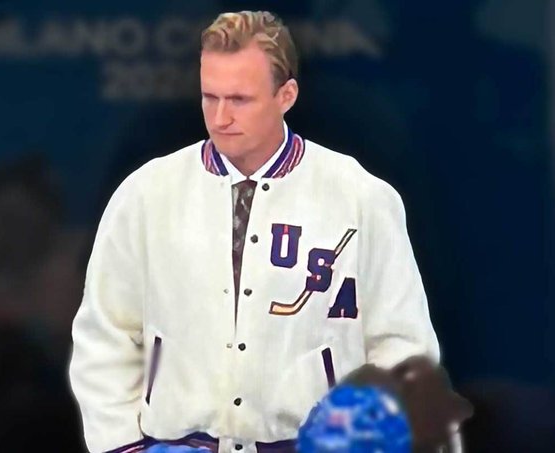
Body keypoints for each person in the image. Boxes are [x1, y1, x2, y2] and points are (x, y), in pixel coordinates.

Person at [69, 10, 450, 453]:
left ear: (286, 95)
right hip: (179, 442)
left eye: (239, 99)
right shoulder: (146, 195)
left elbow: (403, 347)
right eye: (209, 97)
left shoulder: (361, 198)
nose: (220, 117)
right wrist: (123, 448)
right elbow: (105, 333)